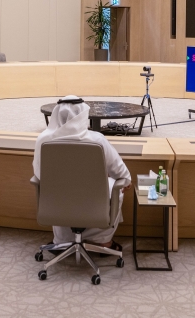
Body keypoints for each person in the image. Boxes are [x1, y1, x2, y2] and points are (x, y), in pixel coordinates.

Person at [33, 96, 131, 250]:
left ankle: (61, 240)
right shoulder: (97, 140)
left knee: (57, 190)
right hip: (93, 202)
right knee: (117, 187)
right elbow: (121, 172)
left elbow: (38, 174)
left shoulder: (43, 139)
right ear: (83, 115)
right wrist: (125, 180)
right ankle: (103, 241)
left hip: (56, 201)